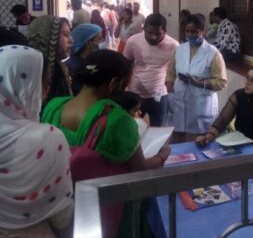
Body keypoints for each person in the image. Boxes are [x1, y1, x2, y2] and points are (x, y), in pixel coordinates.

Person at [41, 50, 171, 237]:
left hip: (61, 204)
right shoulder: (116, 119)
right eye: (125, 84)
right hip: (108, 210)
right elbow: (140, 169)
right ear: (113, 83)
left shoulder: (53, 106)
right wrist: (160, 157)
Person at [0, 45, 73, 237]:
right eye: (44, 84)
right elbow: (63, 217)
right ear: (29, 86)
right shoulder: (47, 139)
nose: (46, 91)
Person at [166, 14, 227, 143]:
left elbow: (221, 82)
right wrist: (170, 90)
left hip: (201, 105)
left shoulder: (213, 53)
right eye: (187, 31)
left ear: (203, 31)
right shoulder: (179, 49)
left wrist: (197, 83)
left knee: (198, 142)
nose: (190, 34)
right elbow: (170, 73)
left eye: (194, 31)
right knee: (178, 140)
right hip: (179, 103)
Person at [196, 66, 253, 152]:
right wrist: (209, 135)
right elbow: (223, 119)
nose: (247, 83)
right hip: (244, 148)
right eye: (247, 78)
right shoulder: (239, 95)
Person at [123, 13, 178, 126]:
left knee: (158, 131)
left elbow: (176, 71)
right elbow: (125, 66)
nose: (153, 37)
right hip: (134, 94)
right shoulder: (132, 41)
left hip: (160, 95)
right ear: (144, 28)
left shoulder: (174, 46)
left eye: (158, 34)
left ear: (165, 30)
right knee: (134, 128)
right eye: (150, 33)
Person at [28, 16, 74, 106]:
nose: (71, 41)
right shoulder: (34, 71)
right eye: (65, 35)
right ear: (47, 36)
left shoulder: (61, 67)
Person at [64, 23, 104, 95]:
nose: (102, 42)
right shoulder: (69, 66)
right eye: (99, 39)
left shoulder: (98, 61)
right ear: (88, 42)